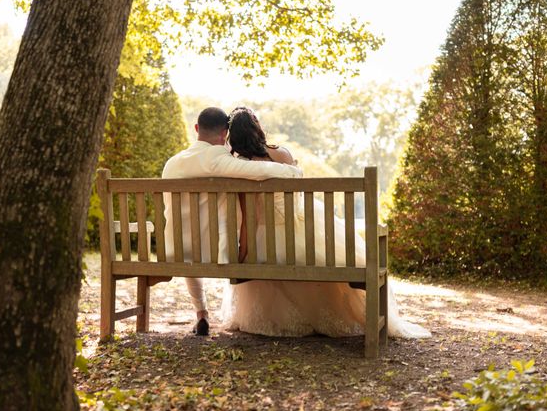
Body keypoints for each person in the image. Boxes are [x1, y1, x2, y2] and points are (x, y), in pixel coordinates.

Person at [222, 107, 431, 339]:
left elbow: (248, 221)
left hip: (263, 241)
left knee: (265, 252)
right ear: (257, 129)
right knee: (325, 248)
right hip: (297, 232)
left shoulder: (239, 168)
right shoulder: (282, 155)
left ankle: (283, 318)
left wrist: (241, 257)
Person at [162, 107, 302, 336]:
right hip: (214, 252)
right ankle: (202, 314)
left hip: (176, 250)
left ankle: (201, 314)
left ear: (196, 128)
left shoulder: (172, 163)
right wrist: (294, 171)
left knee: (186, 237)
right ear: (225, 133)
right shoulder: (216, 158)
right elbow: (257, 170)